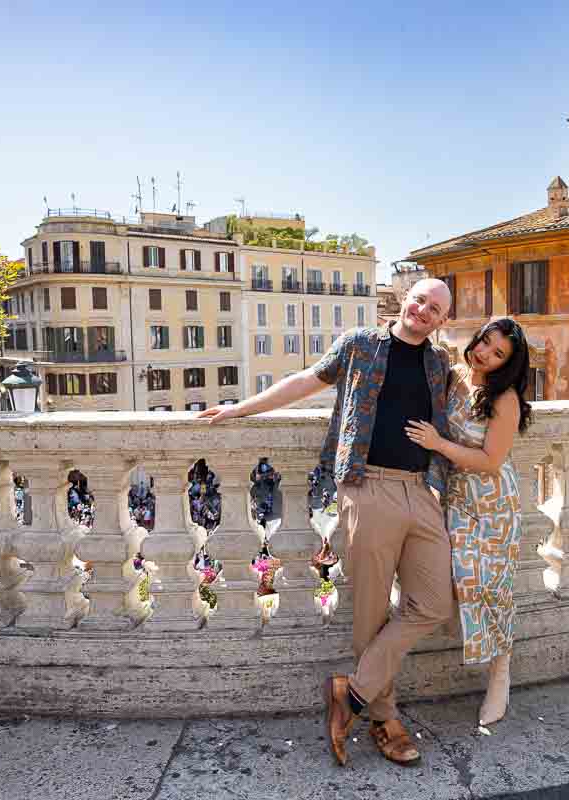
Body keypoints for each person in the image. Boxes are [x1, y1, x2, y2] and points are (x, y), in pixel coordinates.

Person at [198, 278, 454, 767]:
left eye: (436, 308)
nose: (423, 310)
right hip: (369, 485)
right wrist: (239, 408)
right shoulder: (360, 345)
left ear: (442, 321)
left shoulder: (439, 363)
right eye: (420, 299)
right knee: (372, 610)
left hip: (422, 490)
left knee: (435, 604)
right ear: (406, 300)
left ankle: (350, 694)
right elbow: (304, 381)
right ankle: (385, 719)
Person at [404, 317, 532, 727]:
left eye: (498, 354)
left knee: (493, 587)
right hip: (456, 498)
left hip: (494, 501)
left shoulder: (504, 398)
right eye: (485, 343)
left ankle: (500, 672)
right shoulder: (455, 375)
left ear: (508, 364)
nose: (485, 355)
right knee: (458, 581)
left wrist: (438, 444)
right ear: (476, 339)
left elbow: (492, 461)